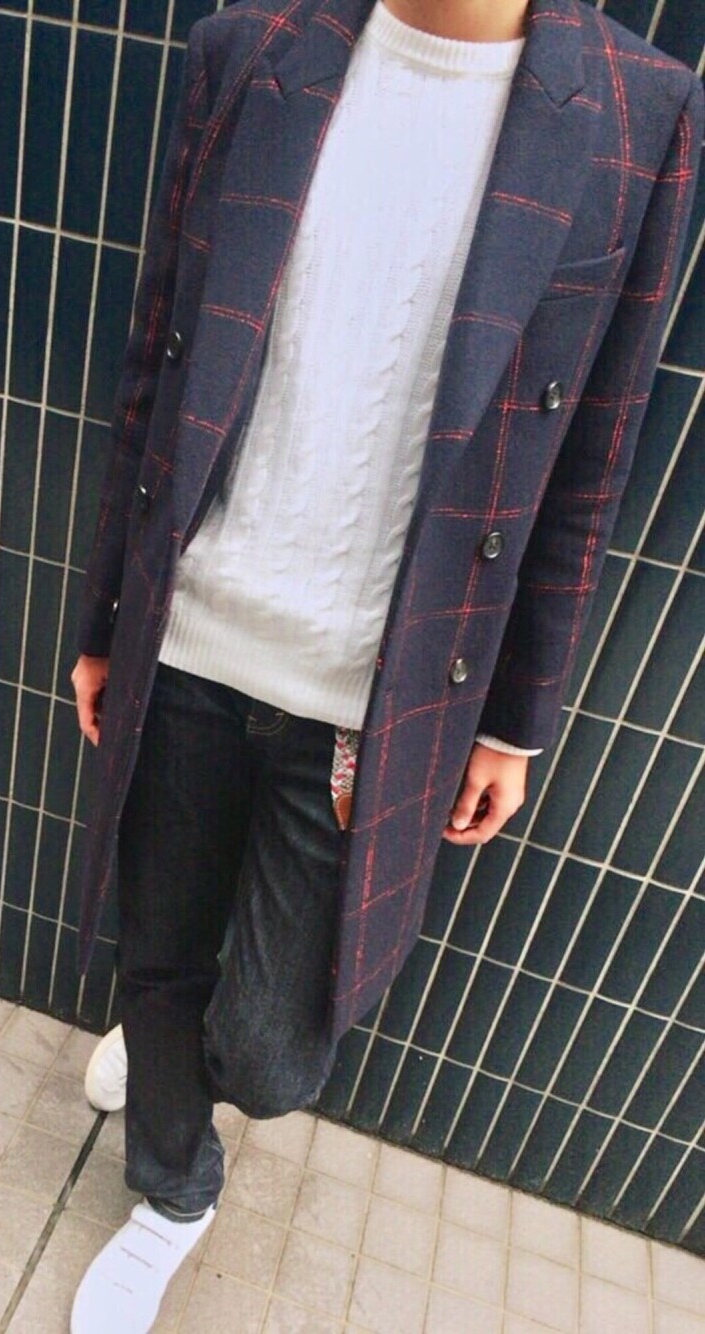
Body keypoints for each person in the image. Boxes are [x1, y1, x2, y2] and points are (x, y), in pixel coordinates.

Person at [67, 0, 701, 1327]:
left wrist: (517, 720)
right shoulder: (251, 50)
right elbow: (155, 361)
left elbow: (593, 454)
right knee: (157, 947)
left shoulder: (639, 113)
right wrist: (103, 617)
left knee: (274, 1052)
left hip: (383, 692)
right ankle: (173, 1187)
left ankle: (178, 1053)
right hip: (193, 632)